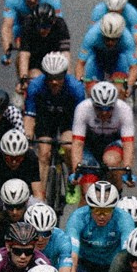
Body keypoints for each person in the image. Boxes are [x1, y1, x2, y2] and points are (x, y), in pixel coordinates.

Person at [64, 180, 137, 272]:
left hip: (113, 264)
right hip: (86, 264)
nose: (101, 216)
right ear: (89, 207)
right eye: (97, 210)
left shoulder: (124, 219)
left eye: (106, 210)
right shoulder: (78, 218)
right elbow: (71, 257)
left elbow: (127, 255)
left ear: (114, 208)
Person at [22, 51, 85, 194]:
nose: (54, 82)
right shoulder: (35, 86)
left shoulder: (76, 88)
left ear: (65, 74)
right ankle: (40, 196)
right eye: (50, 77)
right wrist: (28, 137)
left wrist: (77, 142)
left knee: (68, 146)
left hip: (68, 119)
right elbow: (29, 117)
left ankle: (72, 178)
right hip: (45, 118)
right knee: (44, 153)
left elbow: (81, 121)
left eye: (58, 77)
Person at [2, 0, 71, 87]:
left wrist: (67, 79)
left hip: (47, 28)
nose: (32, 0)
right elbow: (7, 27)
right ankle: (24, 85)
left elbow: (58, 28)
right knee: (22, 53)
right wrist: (7, 52)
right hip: (23, 27)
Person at [70, 79, 136, 189]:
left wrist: (127, 170)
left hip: (112, 143)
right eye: (99, 108)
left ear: (114, 104)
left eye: (109, 108)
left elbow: (128, 144)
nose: (104, 112)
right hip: (90, 144)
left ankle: (117, 192)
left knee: (111, 161)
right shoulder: (83, 108)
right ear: (93, 104)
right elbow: (77, 143)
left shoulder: (124, 109)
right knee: (87, 189)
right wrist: (75, 172)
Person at [78, 10, 137, 101]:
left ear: (120, 36)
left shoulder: (127, 39)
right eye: (107, 38)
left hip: (118, 58)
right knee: (91, 92)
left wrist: (129, 87)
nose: (110, 42)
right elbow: (81, 63)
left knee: (118, 92)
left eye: (114, 39)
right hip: (97, 57)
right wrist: (80, 84)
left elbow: (133, 67)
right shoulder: (92, 35)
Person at [0, 172, 34, 250]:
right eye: (10, 207)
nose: (14, 212)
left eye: (19, 206)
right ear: (4, 203)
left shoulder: (35, 212)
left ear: (26, 202)